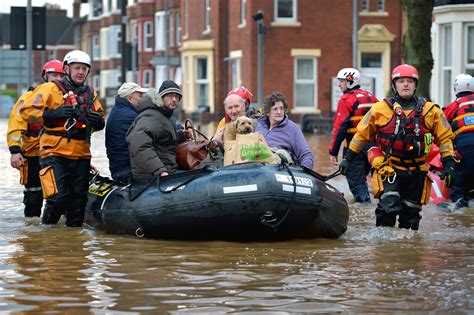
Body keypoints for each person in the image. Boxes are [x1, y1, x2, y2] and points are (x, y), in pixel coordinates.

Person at [339, 64, 456, 230]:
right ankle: (384, 246)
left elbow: (445, 138)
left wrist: (449, 163)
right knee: (388, 206)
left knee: (411, 215)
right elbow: (361, 136)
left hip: (417, 171)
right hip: (390, 168)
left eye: (409, 81)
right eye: (401, 81)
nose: (405, 84)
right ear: (394, 85)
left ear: (416, 85)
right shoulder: (380, 109)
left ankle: (406, 251)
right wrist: (348, 158)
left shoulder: (431, 111)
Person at [20, 50, 105, 227]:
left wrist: (99, 123)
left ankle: (72, 242)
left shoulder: (90, 93)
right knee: (58, 198)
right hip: (54, 152)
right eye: (77, 68)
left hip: (81, 153)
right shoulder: (50, 89)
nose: (81, 72)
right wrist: (51, 114)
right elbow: (26, 112)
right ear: (67, 69)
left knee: (78, 203)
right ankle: (48, 233)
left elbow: (98, 116)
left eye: (84, 69)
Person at [7, 60, 65, 217]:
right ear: (45, 76)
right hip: (33, 155)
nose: (58, 80)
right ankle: (32, 228)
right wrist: (15, 150)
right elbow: (16, 124)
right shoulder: (29, 98)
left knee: (59, 195)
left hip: (57, 154)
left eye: (61, 76)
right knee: (34, 195)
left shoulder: (66, 100)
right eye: (54, 75)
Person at [329, 68, 379, 203]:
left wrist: (333, 151)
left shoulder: (346, 99)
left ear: (350, 82)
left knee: (357, 185)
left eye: (341, 81)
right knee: (365, 181)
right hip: (372, 148)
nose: (339, 84)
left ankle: (364, 217)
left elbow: (340, 128)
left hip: (353, 148)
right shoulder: (372, 98)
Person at [126, 80, 191, 178]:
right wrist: (160, 171)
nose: (174, 99)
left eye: (177, 97)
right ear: (161, 97)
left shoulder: (163, 116)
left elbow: (163, 139)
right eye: (170, 95)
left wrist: (182, 135)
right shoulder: (151, 116)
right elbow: (139, 145)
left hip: (168, 170)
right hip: (152, 176)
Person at [256, 91, 314, 169]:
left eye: (281, 108)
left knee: (281, 153)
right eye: (275, 109)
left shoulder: (293, 128)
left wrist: (305, 170)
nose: (279, 112)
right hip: (260, 168)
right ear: (268, 112)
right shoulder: (260, 126)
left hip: (282, 169)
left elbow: (305, 154)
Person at [442, 73, 474, 208]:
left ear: (456, 88)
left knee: (458, 187)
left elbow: (442, 131)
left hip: (464, 150)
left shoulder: (452, 107)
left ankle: (458, 206)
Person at [105, 82, 147, 182]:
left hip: (119, 168)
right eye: (140, 96)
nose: (143, 99)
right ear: (129, 98)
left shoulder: (118, 111)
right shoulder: (130, 116)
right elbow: (153, 131)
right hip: (128, 170)